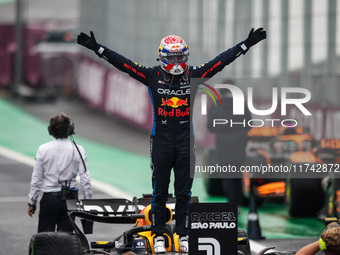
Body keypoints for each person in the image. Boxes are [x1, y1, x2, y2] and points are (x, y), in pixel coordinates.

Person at [77, 28, 266, 253]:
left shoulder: (194, 75)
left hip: (186, 142)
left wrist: (245, 44)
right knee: (159, 192)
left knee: (184, 193)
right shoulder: (151, 75)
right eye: (172, 57)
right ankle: (158, 235)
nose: (176, 61)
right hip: (161, 142)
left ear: (185, 56)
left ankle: (183, 234)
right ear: (162, 57)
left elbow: (220, 62)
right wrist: (97, 48)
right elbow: (123, 64)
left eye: (180, 57)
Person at [28, 112, 92, 233]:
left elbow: (36, 178)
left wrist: (32, 202)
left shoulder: (43, 149)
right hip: (71, 200)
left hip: (49, 199)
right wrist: (88, 204)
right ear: (70, 130)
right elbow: (85, 179)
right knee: (66, 242)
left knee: (45, 240)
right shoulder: (79, 149)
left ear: (50, 130)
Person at [207, 80, 251, 205]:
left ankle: (232, 203)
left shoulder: (216, 104)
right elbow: (249, 123)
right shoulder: (241, 104)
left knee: (227, 174)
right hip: (239, 142)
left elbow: (210, 126)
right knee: (238, 173)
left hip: (223, 143)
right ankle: (239, 201)